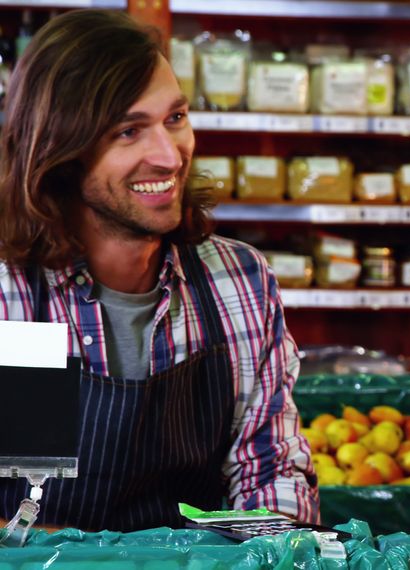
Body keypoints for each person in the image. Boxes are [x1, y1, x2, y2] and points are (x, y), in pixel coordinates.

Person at [0, 10, 318, 531]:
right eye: (129, 131)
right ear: (60, 150)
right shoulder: (6, 291)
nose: (170, 156)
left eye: (175, 118)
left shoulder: (239, 279)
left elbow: (271, 468)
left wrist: (267, 552)